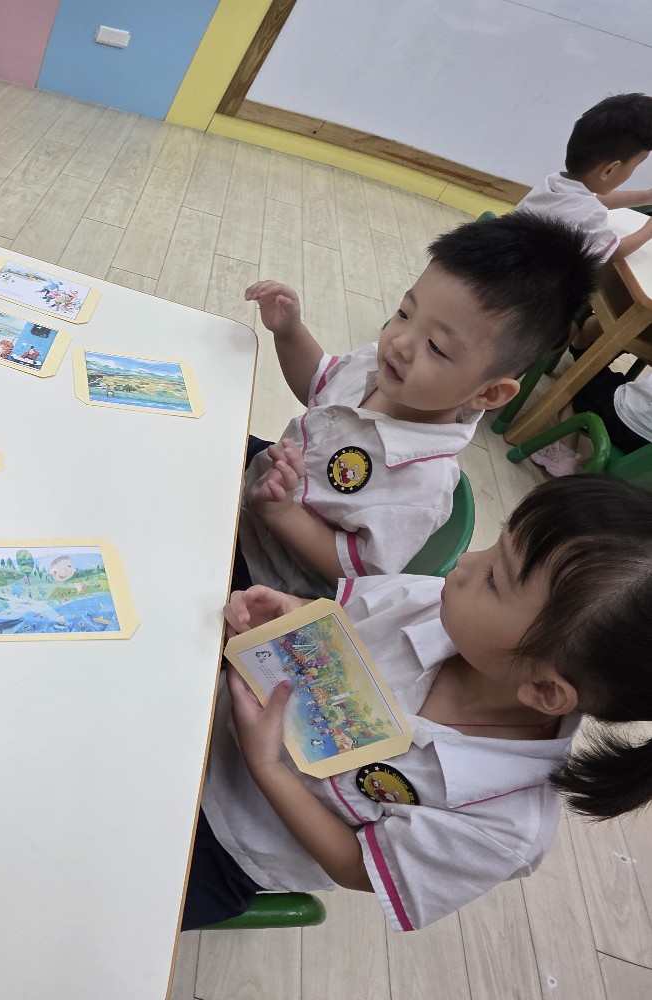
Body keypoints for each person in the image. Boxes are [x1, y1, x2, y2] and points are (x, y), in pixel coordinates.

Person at [186, 476, 652, 932]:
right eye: (494, 545)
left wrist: (267, 766)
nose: (466, 562)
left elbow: (356, 867)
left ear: (546, 690)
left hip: (230, 846)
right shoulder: (430, 601)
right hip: (202, 718)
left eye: (494, 579)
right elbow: (335, 623)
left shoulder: (505, 825)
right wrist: (288, 613)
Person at [237, 213, 597, 599]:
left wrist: (283, 513)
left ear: (489, 394)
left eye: (436, 347)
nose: (401, 342)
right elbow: (319, 382)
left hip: (265, 569)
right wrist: (289, 332)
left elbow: (358, 570)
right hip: (259, 477)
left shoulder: (422, 483)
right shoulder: (382, 366)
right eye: (405, 313)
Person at [517, 93, 652, 350]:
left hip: (510, 274)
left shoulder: (555, 183)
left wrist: (646, 196)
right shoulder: (587, 215)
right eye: (637, 165)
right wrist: (648, 229)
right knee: (568, 331)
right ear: (610, 169)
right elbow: (614, 252)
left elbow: (601, 199)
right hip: (530, 306)